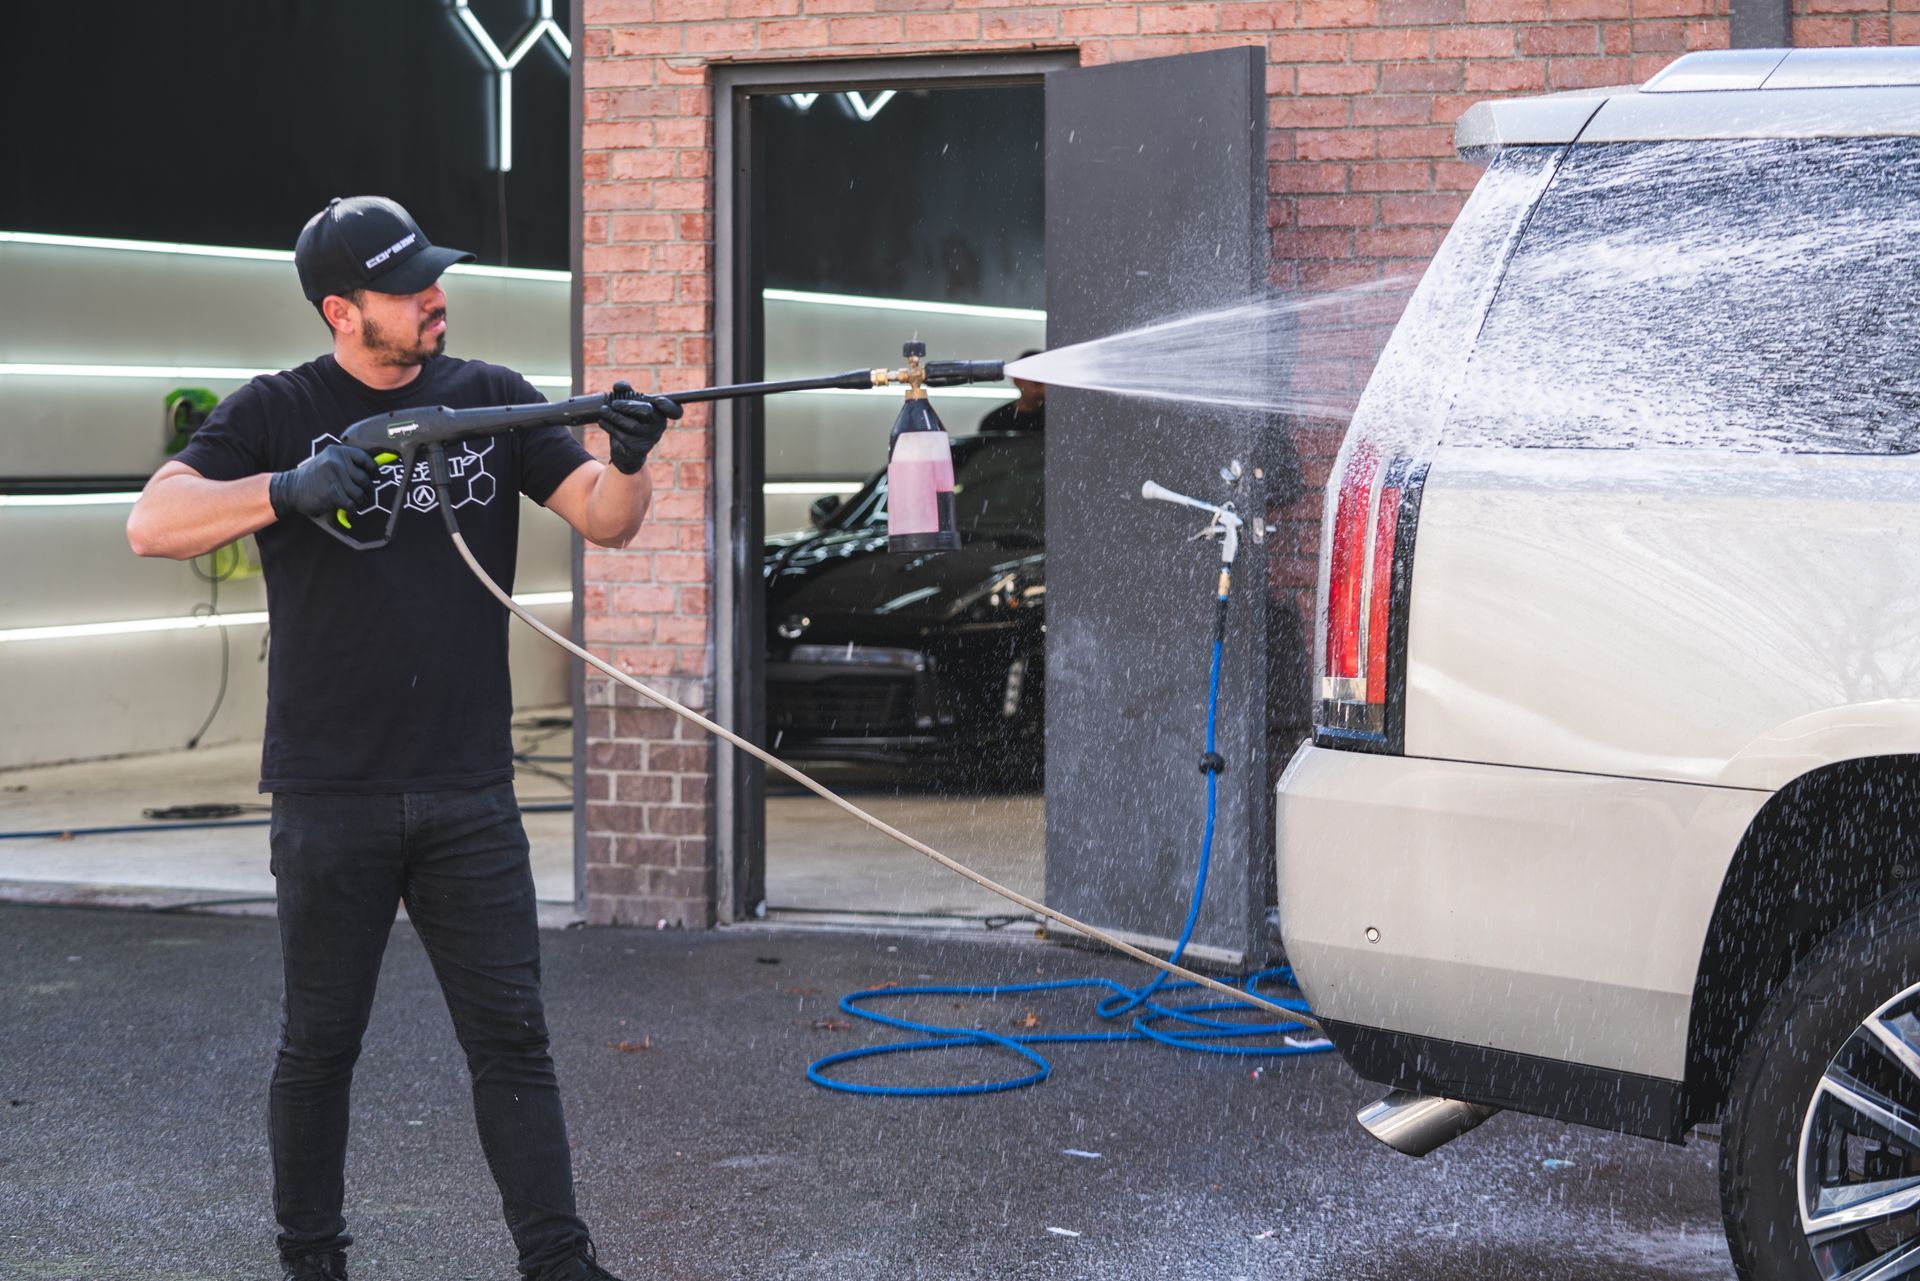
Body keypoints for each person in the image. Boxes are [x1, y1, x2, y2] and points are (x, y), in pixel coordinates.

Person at [125, 196, 670, 1281]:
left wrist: (631, 457)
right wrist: (287, 488)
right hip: (330, 790)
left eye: (434, 277)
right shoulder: (277, 409)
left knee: (512, 1040)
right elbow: (152, 521)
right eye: (407, 286)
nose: (435, 297)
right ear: (342, 310)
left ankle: (559, 1263)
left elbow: (606, 519)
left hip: (469, 787)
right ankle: (312, 1263)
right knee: (320, 1046)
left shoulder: (492, 397)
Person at [978, 350, 1045, 433]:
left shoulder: (996, 420)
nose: (1044, 387)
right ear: (1017, 380)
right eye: (1037, 382)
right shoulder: (995, 421)